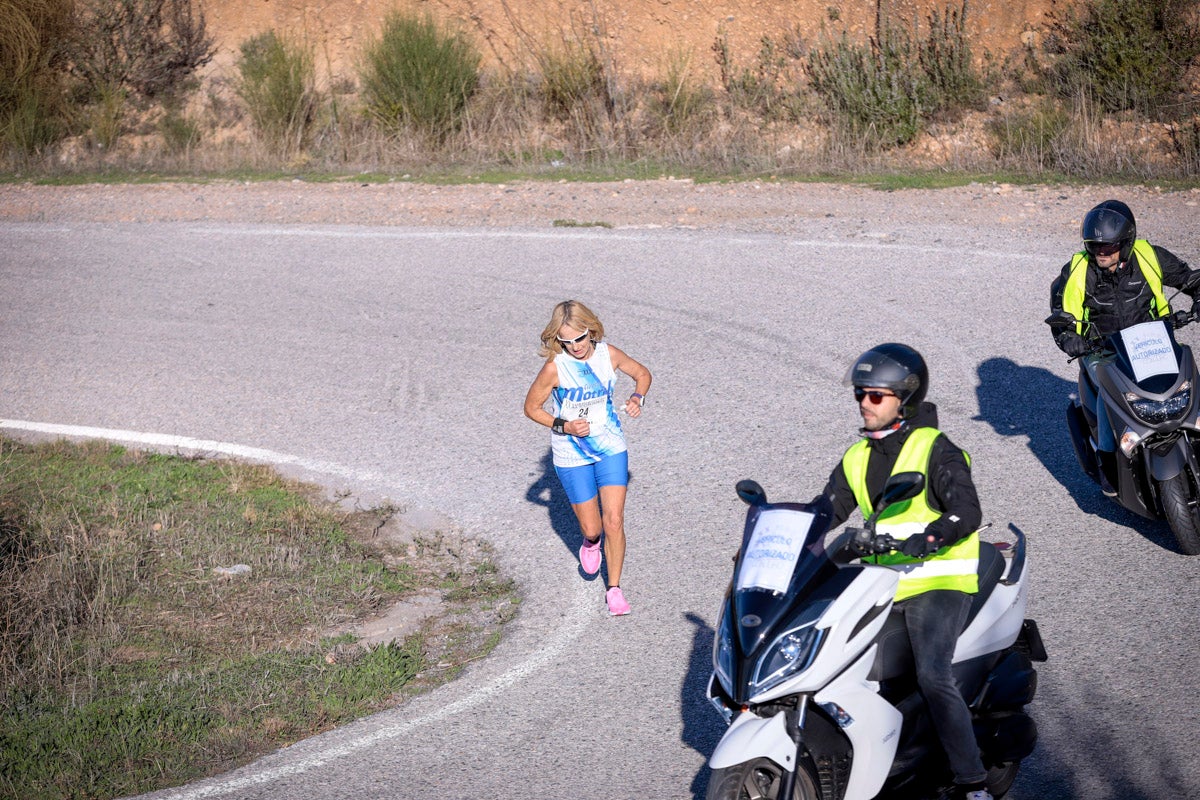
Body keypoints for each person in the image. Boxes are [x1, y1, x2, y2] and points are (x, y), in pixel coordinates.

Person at [812, 343, 992, 800]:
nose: (864, 403)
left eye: (875, 395)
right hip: (883, 584)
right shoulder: (857, 457)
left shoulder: (935, 448)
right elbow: (824, 512)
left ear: (904, 399)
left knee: (933, 675)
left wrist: (931, 537)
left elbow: (967, 511)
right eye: (860, 394)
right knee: (832, 663)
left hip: (938, 580)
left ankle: (973, 781)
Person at [1049, 199, 1200, 495]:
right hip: (1103, 351)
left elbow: (1188, 278)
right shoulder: (1078, 271)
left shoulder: (1149, 256)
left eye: (1108, 247)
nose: (1100, 253)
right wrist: (1073, 341)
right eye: (1094, 246)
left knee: (1189, 369)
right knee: (1109, 393)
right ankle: (1107, 460)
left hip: (1154, 341)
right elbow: (1061, 320)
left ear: (1127, 242)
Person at [523, 300, 652, 616]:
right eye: (567, 341)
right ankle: (590, 542)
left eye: (580, 338)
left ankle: (615, 590)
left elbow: (642, 374)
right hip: (572, 454)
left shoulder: (609, 355)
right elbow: (531, 408)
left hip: (610, 447)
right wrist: (564, 425)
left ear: (590, 330)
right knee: (594, 528)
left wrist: (638, 397)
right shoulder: (555, 367)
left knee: (615, 520)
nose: (575, 347)